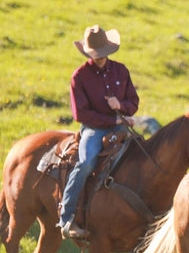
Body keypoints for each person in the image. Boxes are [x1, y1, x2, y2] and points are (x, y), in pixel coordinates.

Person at [58, 25, 140, 240]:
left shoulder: (121, 71)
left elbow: (133, 102)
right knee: (85, 164)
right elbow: (81, 114)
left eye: (103, 54)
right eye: (97, 55)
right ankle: (66, 218)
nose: (101, 58)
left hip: (121, 126)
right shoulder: (80, 77)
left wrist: (120, 105)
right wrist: (112, 118)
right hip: (94, 130)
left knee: (143, 156)